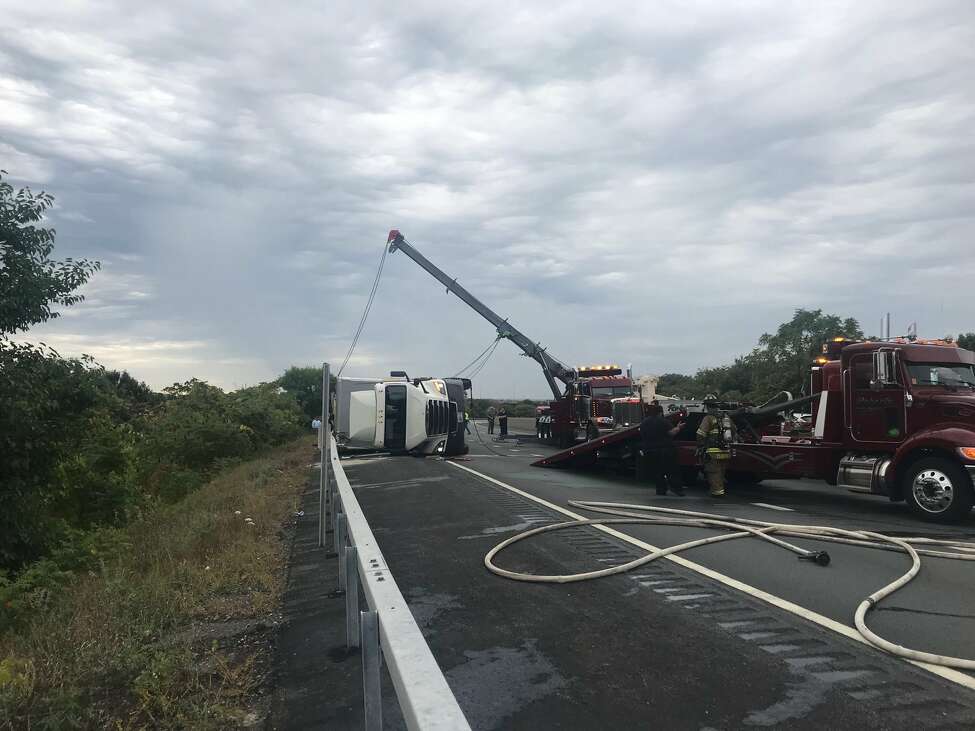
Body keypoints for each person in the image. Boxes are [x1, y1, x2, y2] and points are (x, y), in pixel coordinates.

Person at [639, 402, 685, 496]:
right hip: (665, 450)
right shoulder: (663, 421)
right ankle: (676, 489)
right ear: (660, 412)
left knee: (657, 472)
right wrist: (678, 427)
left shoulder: (644, 422)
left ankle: (660, 490)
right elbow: (672, 433)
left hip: (650, 450)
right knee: (671, 470)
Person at [696, 395, 737, 497]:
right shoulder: (725, 417)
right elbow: (734, 430)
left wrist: (700, 445)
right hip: (725, 450)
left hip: (713, 451)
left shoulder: (708, 418)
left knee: (713, 472)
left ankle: (717, 493)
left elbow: (700, 434)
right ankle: (719, 489)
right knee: (721, 472)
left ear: (707, 407)